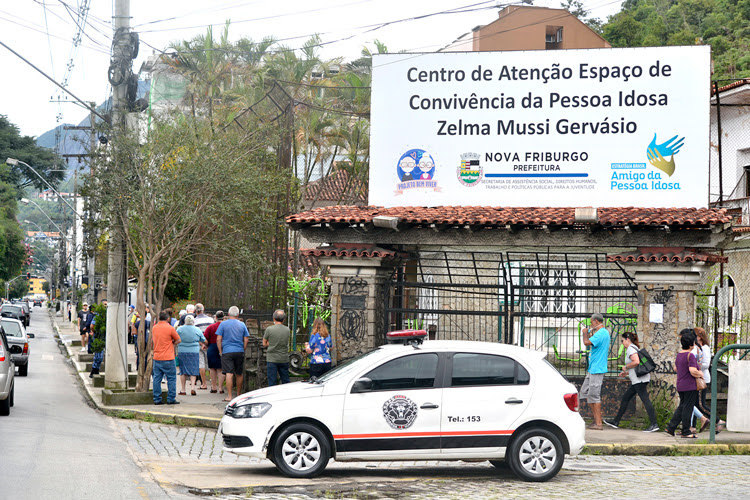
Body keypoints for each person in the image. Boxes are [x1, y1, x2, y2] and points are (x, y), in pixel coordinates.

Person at [604, 332, 659, 432]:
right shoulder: (634, 348)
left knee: (646, 401)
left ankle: (654, 424)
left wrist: (626, 367)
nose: (622, 343)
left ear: (627, 339)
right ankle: (616, 421)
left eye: (622, 341)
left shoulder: (630, 349)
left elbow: (636, 362)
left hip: (639, 380)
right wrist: (626, 372)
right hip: (638, 380)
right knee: (626, 398)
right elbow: (635, 366)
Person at [666, 329, 705, 438]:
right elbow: (693, 371)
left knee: (682, 406)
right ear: (691, 344)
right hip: (689, 385)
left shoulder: (679, 355)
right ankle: (686, 431)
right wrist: (700, 374)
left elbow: (676, 368)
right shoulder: (690, 356)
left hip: (681, 384)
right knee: (687, 408)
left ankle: (671, 427)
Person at [579, 313, 610, 430]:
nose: (591, 324)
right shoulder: (602, 333)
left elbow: (586, 343)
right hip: (593, 368)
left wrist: (585, 333)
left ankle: (598, 423)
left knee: (594, 396)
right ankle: (596, 421)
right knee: (585, 392)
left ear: (596, 321)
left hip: (597, 368)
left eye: (592, 322)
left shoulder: (601, 333)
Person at [217, 306, 249, 402]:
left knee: (229, 373)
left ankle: (230, 396)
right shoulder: (242, 324)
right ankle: (238, 394)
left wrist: (220, 351)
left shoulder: (223, 324)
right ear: (238, 315)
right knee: (239, 373)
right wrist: (243, 348)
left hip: (227, 351)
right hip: (239, 351)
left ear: (228, 314)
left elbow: (218, 339)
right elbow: (246, 339)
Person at [152, 311, 181, 405]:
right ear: (168, 318)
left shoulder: (154, 328)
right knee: (171, 378)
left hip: (157, 356)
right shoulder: (170, 328)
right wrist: (172, 342)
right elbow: (178, 340)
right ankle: (171, 398)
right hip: (168, 357)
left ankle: (157, 399)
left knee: (157, 379)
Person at [176, 315, 206, 396]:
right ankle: (192, 387)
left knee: (183, 371)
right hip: (194, 351)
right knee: (193, 370)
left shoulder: (180, 329)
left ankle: (183, 389)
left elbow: (175, 338)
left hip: (182, 351)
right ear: (193, 322)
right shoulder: (197, 329)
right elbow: (203, 339)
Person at [264, 309, 291, 386]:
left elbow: (264, 343)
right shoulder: (287, 330)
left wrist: (270, 343)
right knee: (285, 381)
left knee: (272, 381)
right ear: (284, 319)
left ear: (274, 318)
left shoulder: (269, 329)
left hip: (272, 359)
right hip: (283, 358)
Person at [203, 310, 225, 393]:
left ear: (215, 317)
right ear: (223, 317)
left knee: (212, 368)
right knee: (220, 368)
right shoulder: (225, 326)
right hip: (223, 347)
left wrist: (206, 344)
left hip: (212, 347)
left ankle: (214, 387)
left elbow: (204, 338)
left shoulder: (211, 327)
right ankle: (221, 387)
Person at [193, 303, 213, 390]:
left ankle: (204, 384)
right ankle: (213, 384)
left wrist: (202, 343)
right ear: (203, 309)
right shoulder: (210, 320)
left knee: (201, 364)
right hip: (209, 344)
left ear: (195, 311)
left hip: (199, 345)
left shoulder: (194, 321)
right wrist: (207, 343)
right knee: (210, 364)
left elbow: (194, 334)